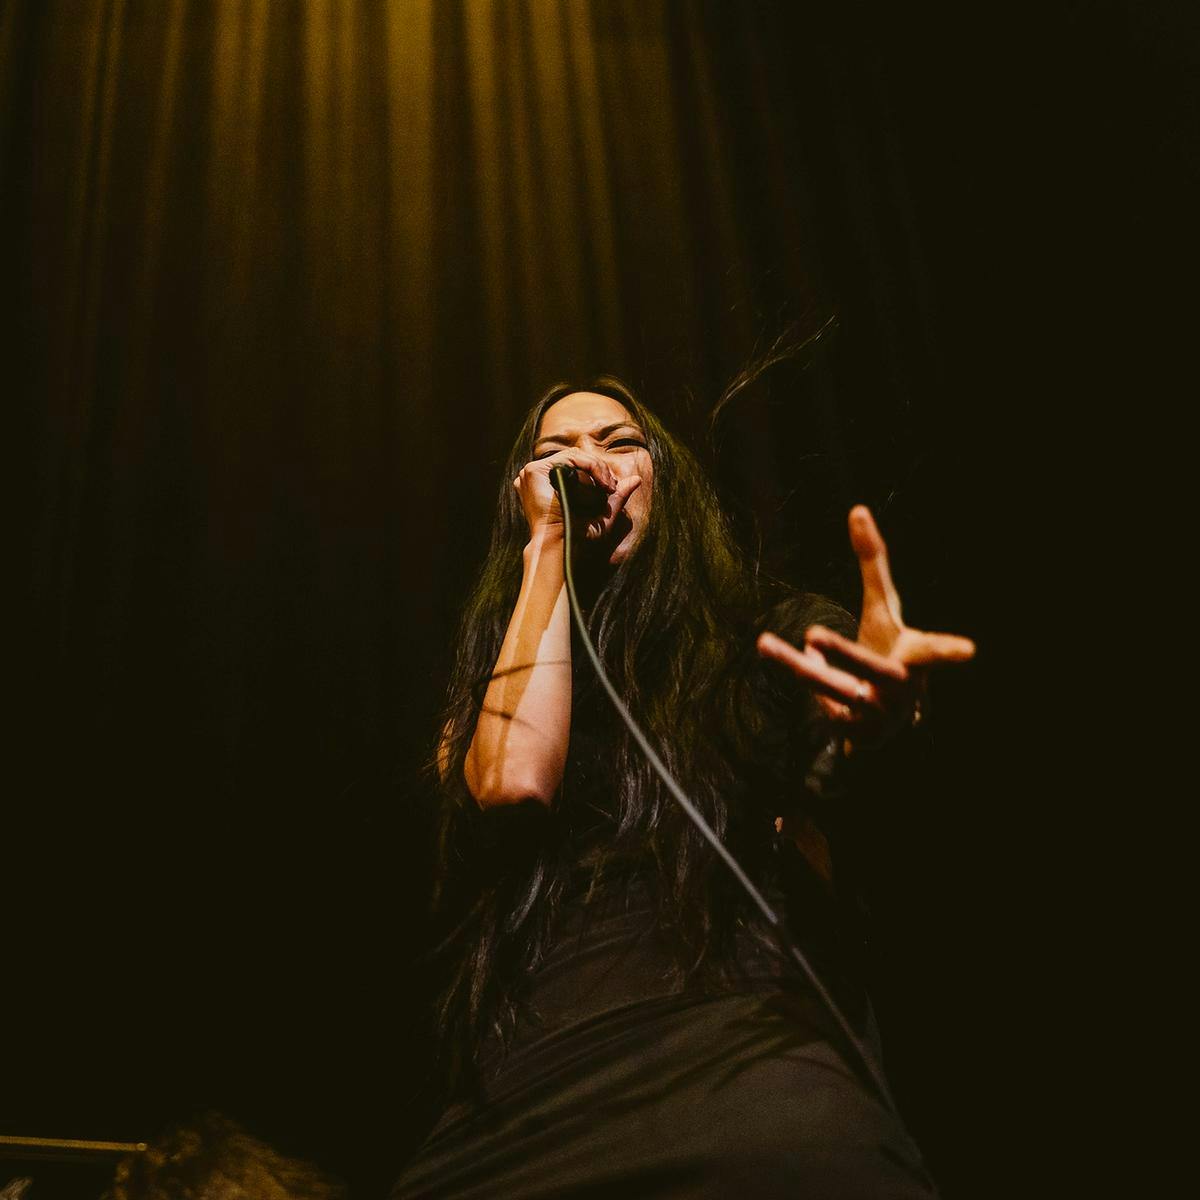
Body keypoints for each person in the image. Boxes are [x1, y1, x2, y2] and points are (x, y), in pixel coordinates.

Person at [391, 377, 975, 1198]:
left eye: (619, 442)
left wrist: (878, 726)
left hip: (741, 1060)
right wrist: (549, 549)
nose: (586, 461)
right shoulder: (487, 692)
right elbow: (514, 782)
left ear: (668, 482)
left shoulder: (768, 638)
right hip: (525, 1095)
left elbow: (860, 791)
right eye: (554, 453)